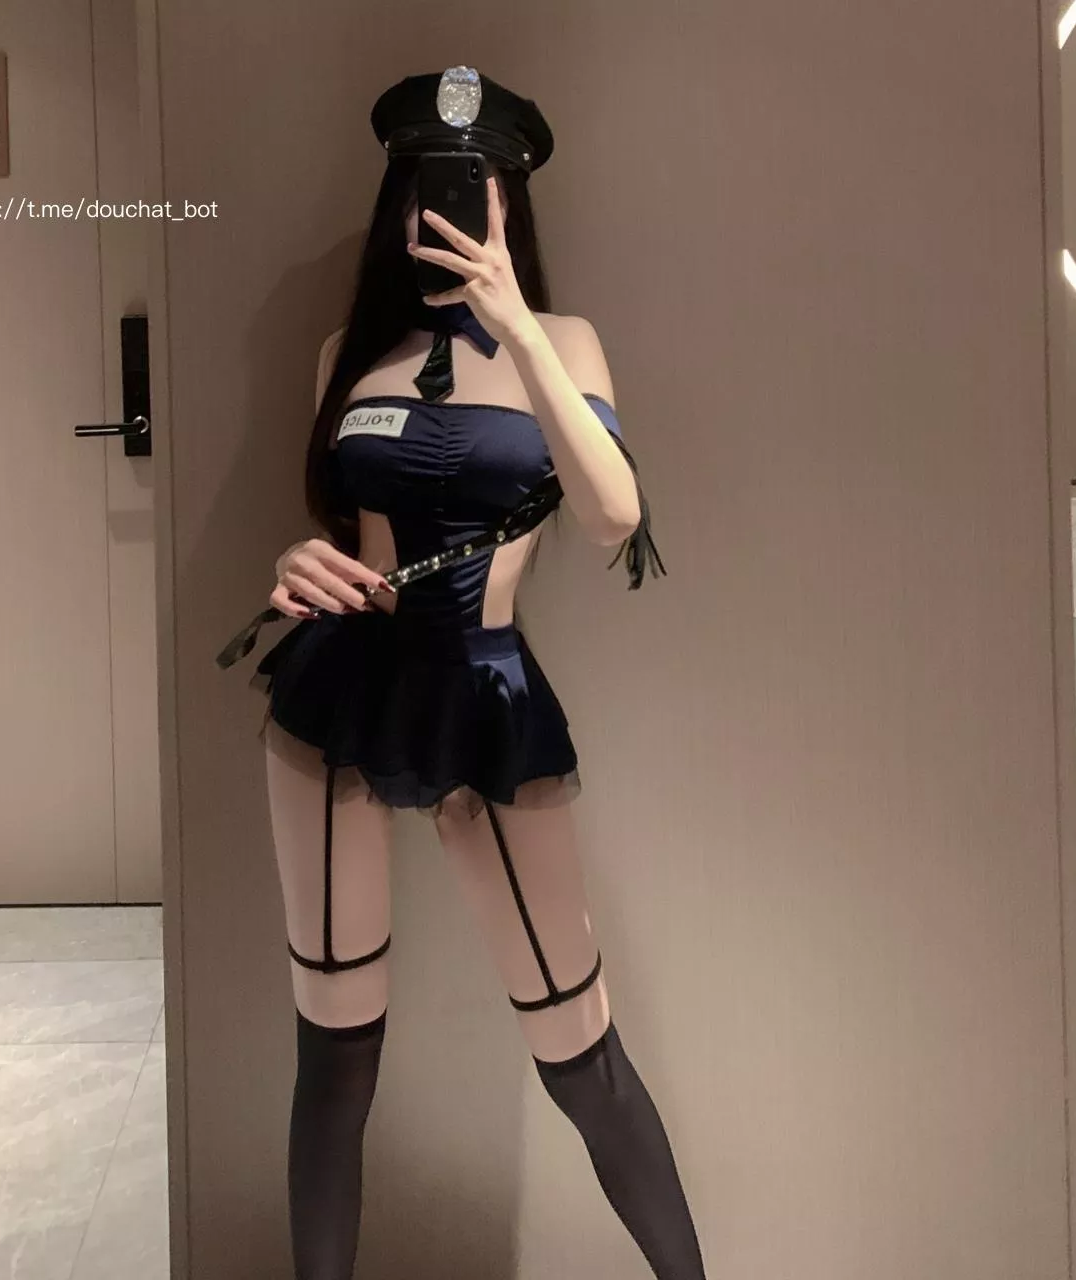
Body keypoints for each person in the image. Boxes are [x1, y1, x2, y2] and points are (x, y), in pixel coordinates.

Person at [221, 66, 707, 1280]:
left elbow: (611, 518)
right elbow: (340, 531)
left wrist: (516, 320)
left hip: (487, 697)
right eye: (421, 185)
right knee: (334, 1048)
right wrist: (296, 559)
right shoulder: (348, 351)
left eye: (470, 185)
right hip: (341, 688)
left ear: (508, 202)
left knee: (580, 1050)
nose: (439, 207)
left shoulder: (565, 342)